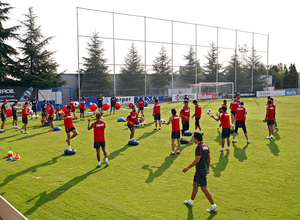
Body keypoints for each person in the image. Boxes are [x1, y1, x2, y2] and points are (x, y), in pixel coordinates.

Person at [182, 132, 218, 212]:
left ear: (195, 139)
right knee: (195, 185)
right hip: (202, 170)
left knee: (204, 189)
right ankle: (190, 201)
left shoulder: (199, 147)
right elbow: (209, 158)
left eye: (194, 138)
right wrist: (207, 168)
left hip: (200, 171)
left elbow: (197, 159)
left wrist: (187, 167)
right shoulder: (205, 146)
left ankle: (213, 206)